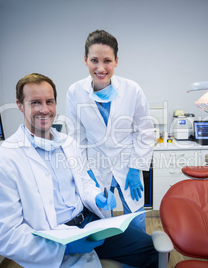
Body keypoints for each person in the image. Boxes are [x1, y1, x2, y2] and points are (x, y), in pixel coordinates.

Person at [0, 73, 158, 268]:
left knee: (151, 249)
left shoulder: (68, 144)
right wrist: (64, 248)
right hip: (54, 238)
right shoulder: (2, 161)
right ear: (20, 105)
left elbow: (84, 183)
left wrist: (96, 196)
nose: (44, 109)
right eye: (35, 103)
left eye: (49, 101)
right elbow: (5, 236)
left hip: (90, 225)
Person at [66, 30, 154, 233]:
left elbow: (145, 131)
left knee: (137, 224)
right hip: (96, 168)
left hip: (128, 165)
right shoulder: (75, 92)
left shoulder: (132, 89)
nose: (100, 68)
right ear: (85, 60)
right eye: (94, 60)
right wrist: (86, 173)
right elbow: (77, 138)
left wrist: (135, 168)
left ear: (116, 61)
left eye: (107, 60)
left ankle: (134, 262)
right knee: (101, 226)